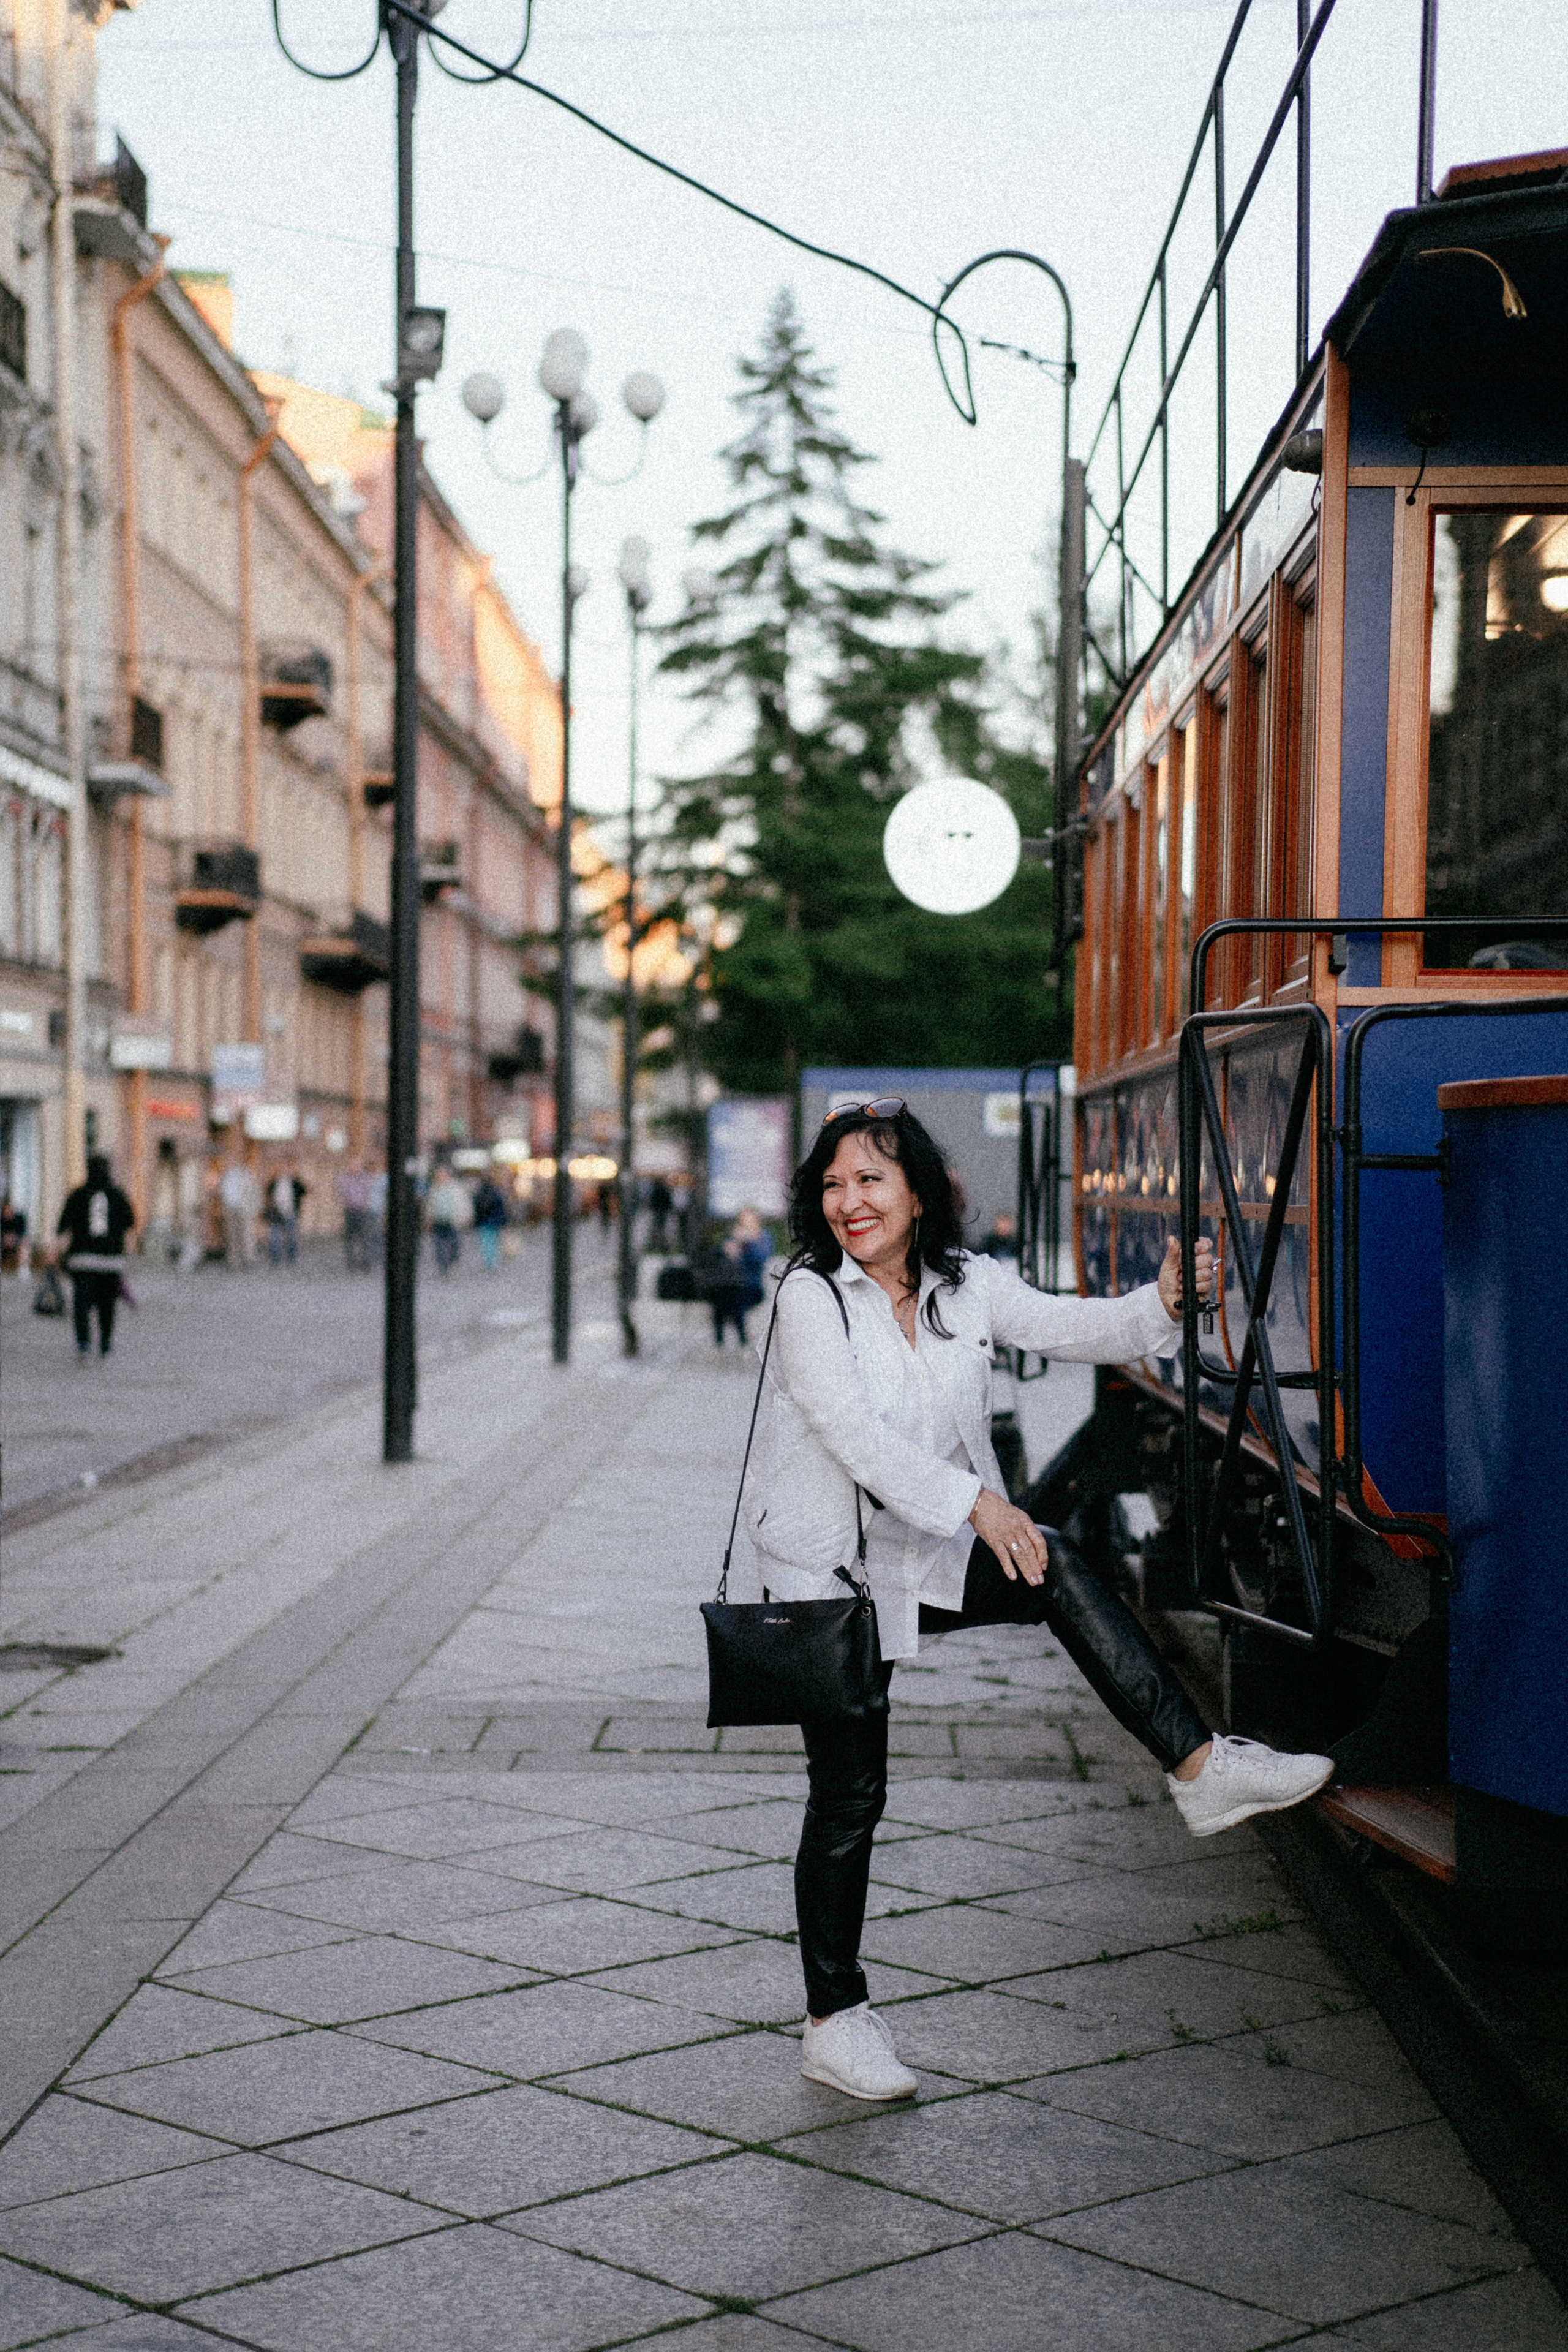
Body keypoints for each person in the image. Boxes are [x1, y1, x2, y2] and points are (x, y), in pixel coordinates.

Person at [744, 1099, 1333, 2103]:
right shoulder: (810, 1294)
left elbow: (1077, 1327)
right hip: (828, 1570)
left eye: (871, 1181)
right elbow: (848, 1432)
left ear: (919, 1191)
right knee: (849, 1795)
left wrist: (1161, 1299)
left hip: (917, 1550)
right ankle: (834, 2023)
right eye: (834, 1184)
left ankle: (1202, 1769)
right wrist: (977, 1503)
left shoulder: (967, 1286)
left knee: (1051, 1560)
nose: (849, 1202)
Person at [54, 1154, 135, 1357]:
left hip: (83, 1259)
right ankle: (106, 1342)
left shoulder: (78, 1194)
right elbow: (130, 1222)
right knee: (107, 1304)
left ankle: (84, 1342)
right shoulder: (117, 1195)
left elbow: (62, 1225)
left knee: (81, 1303)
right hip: (111, 1260)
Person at [710, 1205, 770, 1349]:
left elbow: (760, 1258)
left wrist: (747, 1242)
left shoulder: (762, 1237)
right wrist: (727, 1249)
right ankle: (719, 1342)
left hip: (751, 1286)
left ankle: (743, 1341)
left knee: (737, 1300)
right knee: (719, 1298)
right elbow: (717, 1254)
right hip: (730, 1282)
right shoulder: (734, 1235)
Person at [426, 1163, 470, 1274]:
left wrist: (466, 1216)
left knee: (455, 1243)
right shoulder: (434, 1189)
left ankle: (453, 1262)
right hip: (439, 1221)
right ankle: (443, 1266)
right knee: (439, 1245)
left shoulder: (456, 1188)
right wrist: (428, 1218)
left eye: (443, 1174)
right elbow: (430, 1205)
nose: (441, 1177)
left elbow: (464, 1203)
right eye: (439, 1175)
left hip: (453, 1220)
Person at [218, 1158, 259, 1268]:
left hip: (243, 1208)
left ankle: (247, 1258)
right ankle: (234, 1261)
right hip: (230, 1209)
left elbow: (253, 1192)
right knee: (232, 1236)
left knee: (245, 1234)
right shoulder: (225, 1177)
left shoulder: (244, 1176)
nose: (224, 1164)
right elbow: (222, 1194)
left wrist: (253, 1208)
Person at [337, 1159, 374, 1270]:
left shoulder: (365, 1178)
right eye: (353, 1165)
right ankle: (351, 1261)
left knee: (364, 1237)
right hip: (349, 1210)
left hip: (362, 1210)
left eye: (357, 1165)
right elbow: (340, 1191)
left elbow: (368, 1192)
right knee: (349, 1238)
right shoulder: (345, 1178)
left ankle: (365, 1261)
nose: (355, 1167)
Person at [265, 1164, 304, 1265]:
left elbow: (304, 1191)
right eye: (282, 1169)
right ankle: (275, 1257)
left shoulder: (294, 1182)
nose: (284, 1172)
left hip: (291, 1212)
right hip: (277, 1213)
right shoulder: (275, 1182)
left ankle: (292, 1257)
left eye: (287, 1169)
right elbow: (268, 1193)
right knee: (275, 1236)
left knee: (292, 1236)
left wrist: (297, 1177)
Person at [472, 1169, 508, 1272]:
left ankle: (489, 1261)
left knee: (486, 1242)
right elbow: (501, 1208)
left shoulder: (478, 1194)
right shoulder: (496, 1193)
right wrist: (503, 1220)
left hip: (483, 1222)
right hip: (494, 1222)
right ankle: (492, 1261)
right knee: (493, 1241)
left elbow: (476, 1208)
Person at [647, 1174, 673, 1251]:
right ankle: (660, 1244)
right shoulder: (665, 1190)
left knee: (657, 1228)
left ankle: (655, 1244)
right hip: (662, 1211)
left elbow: (653, 1200)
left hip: (658, 1211)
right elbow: (668, 1200)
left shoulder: (656, 1190)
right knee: (661, 1227)